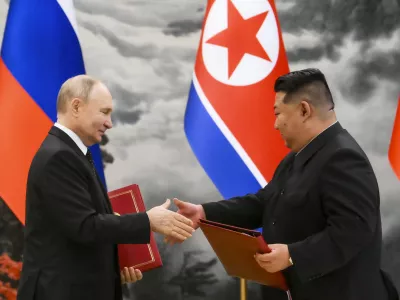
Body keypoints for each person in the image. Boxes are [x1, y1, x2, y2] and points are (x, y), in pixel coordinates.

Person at [169, 69, 399, 300]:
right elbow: (265, 203)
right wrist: (204, 212)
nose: (275, 125)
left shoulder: (344, 157)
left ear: (304, 110)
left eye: (278, 113)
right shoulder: (297, 156)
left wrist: (292, 255)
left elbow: (353, 231)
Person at [17, 75, 195, 300]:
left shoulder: (69, 152)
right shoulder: (59, 156)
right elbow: (85, 226)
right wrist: (148, 220)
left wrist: (114, 269)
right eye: (104, 112)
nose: (110, 123)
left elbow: (75, 232)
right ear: (76, 106)